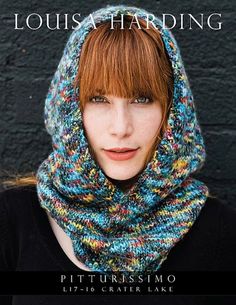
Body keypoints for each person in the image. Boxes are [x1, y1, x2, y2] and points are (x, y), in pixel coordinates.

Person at [0, 4, 236, 305]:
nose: (121, 128)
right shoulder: (13, 221)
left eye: (142, 98)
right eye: (98, 99)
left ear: (172, 111)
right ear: (70, 109)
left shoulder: (220, 234)